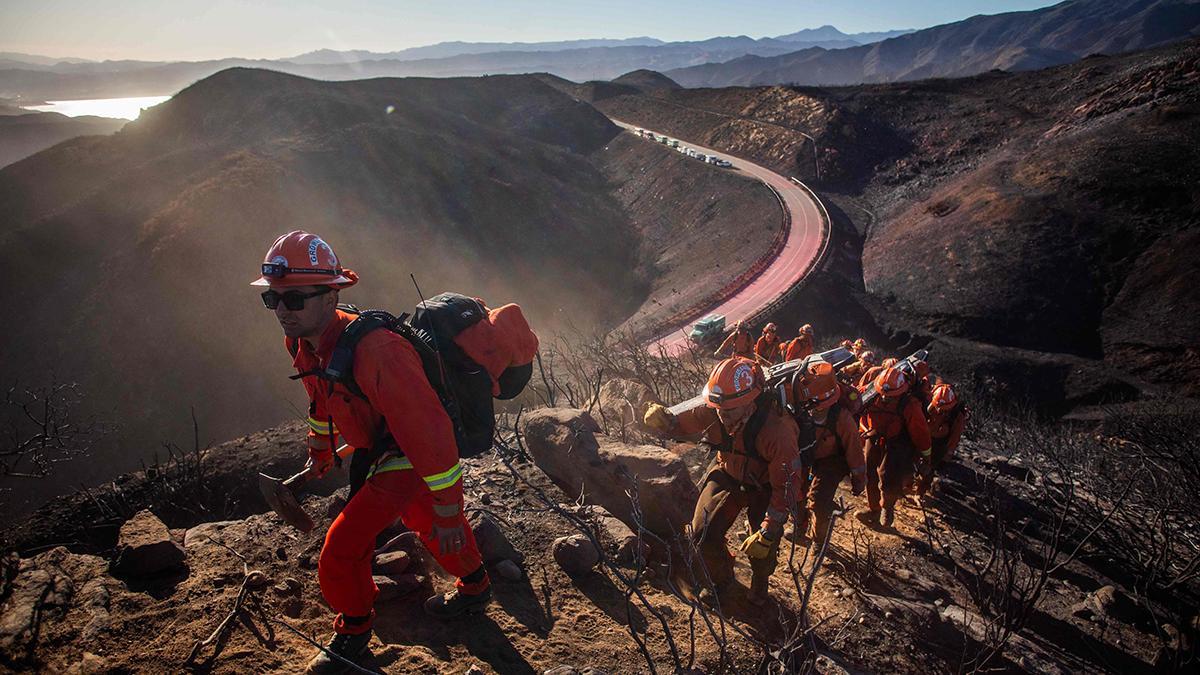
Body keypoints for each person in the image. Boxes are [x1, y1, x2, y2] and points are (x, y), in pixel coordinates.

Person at [253, 231, 490, 673]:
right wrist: (320, 447)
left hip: (406, 451)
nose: (282, 311)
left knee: (342, 546)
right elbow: (320, 395)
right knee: (422, 520)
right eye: (273, 300)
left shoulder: (378, 351)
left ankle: (354, 633)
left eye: (295, 299)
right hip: (384, 446)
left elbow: (430, 432)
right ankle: (476, 586)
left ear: (331, 295)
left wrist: (450, 506)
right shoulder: (304, 340)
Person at [643, 357, 801, 605]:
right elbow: (687, 421)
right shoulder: (718, 407)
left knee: (762, 546)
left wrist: (770, 527)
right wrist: (665, 421)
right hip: (728, 473)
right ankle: (721, 578)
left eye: (728, 411)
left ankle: (760, 584)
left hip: (765, 487)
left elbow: (788, 485)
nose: (721, 416)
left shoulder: (778, 431)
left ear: (749, 403)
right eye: (718, 409)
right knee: (702, 533)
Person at [791, 362, 866, 543]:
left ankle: (818, 540)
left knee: (818, 502)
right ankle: (799, 530)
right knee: (796, 494)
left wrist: (859, 481)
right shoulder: (802, 410)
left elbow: (854, 451)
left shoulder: (842, 418)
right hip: (808, 455)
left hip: (832, 461)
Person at [857, 366, 932, 529]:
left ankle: (887, 507)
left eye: (889, 396)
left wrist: (926, 455)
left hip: (898, 442)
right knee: (868, 474)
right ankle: (874, 510)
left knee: (888, 477)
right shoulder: (870, 393)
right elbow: (853, 398)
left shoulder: (910, 405)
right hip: (874, 436)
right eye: (882, 394)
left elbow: (921, 433)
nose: (884, 398)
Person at [916, 383, 968, 497]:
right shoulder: (929, 404)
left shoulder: (957, 417)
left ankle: (921, 490)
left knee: (930, 467)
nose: (939, 410)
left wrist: (948, 453)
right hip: (924, 436)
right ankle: (909, 482)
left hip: (939, 443)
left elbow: (955, 436)